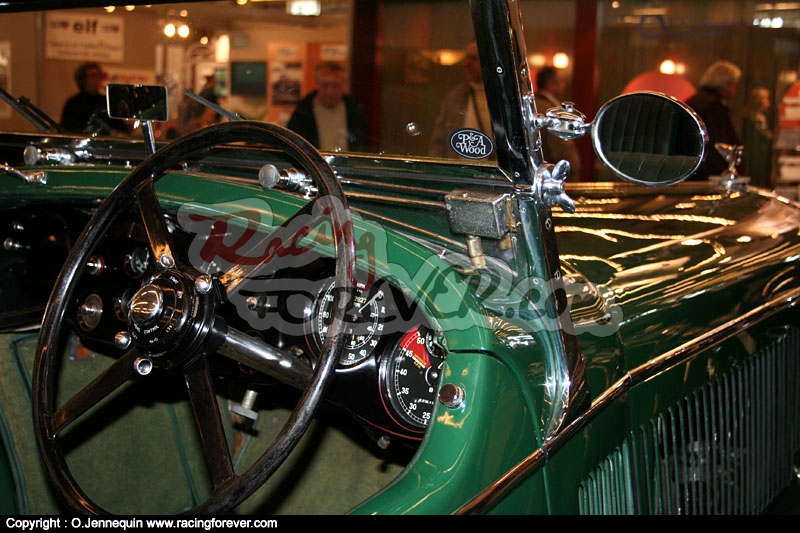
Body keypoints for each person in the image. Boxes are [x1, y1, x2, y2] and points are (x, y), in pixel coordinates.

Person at [428, 41, 492, 158]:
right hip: (459, 167)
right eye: (467, 58)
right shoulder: (455, 97)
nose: (467, 64)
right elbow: (438, 141)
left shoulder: (503, 100)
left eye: (474, 59)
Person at [286, 61, 367, 152]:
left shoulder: (355, 112)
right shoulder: (302, 113)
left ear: (344, 85)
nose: (330, 92)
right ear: (317, 84)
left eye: (335, 85)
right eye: (325, 85)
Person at [685, 60, 742, 180]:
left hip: (686, 171)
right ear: (727, 85)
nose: (735, 91)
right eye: (734, 85)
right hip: (705, 177)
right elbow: (717, 145)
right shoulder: (714, 108)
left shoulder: (691, 102)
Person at [534, 66, 582, 180]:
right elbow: (562, 150)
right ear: (551, 84)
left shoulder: (532, 106)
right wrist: (572, 168)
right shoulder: (554, 112)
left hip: (535, 174)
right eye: (561, 82)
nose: (564, 86)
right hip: (554, 177)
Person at [60, 62, 128, 135]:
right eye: (93, 76)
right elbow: (67, 127)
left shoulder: (106, 101)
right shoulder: (73, 103)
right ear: (83, 79)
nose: (96, 79)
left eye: (98, 75)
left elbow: (119, 127)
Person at [741, 86, 773, 189]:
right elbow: (765, 136)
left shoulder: (756, 117)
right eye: (766, 99)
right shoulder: (755, 119)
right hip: (756, 156)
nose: (768, 103)